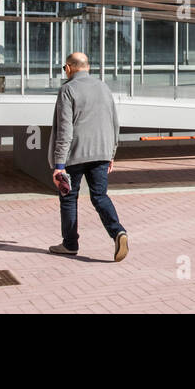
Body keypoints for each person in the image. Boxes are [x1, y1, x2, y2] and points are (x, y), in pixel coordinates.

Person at [48, 52, 128, 261]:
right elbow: (114, 122)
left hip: (75, 154)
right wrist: (111, 153)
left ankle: (70, 244)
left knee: (68, 198)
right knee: (100, 196)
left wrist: (59, 164)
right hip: (101, 152)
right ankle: (118, 231)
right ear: (88, 67)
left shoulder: (67, 89)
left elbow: (65, 129)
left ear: (68, 68)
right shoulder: (103, 87)